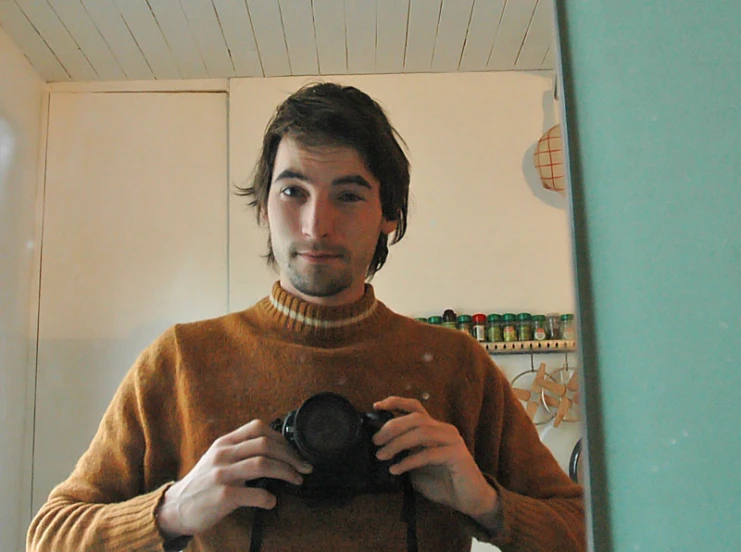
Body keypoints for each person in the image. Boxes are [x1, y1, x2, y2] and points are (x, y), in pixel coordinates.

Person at [27, 82, 585, 552]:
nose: (317, 226)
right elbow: (48, 536)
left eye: (348, 195)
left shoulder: (456, 364)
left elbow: (592, 530)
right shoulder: (181, 361)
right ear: (264, 205)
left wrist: (485, 503)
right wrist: (174, 509)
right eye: (293, 191)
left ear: (389, 214)